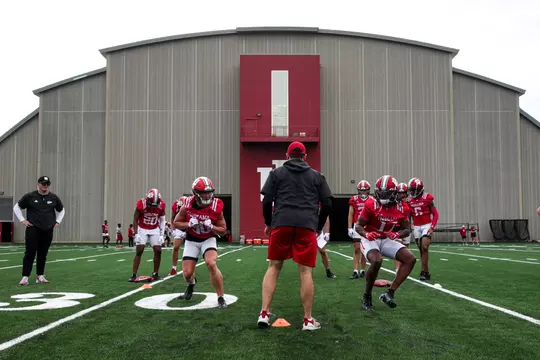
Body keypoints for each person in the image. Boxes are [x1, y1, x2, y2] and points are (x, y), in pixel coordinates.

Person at [258, 141, 333, 331]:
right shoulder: (316, 175)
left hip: (282, 222)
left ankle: (264, 313)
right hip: (306, 225)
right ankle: (307, 320)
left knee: (274, 267)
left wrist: (269, 222)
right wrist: (317, 225)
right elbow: (327, 203)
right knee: (305, 272)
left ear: (287, 156)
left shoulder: (276, 174)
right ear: (305, 156)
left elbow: (266, 200)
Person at [355, 175, 417, 311]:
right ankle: (367, 296)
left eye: (386, 193)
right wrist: (366, 234)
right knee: (377, 261)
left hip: (387, 238)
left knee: (410, 259)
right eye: (380, 192)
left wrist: (397, 234)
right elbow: (358, 226)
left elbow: (407, 229)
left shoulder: (402, 208)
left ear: (394, 193)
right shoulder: (371, 204)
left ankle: (389, 293)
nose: (382, 195)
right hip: (370, 238)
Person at [173, 177, 229, 308]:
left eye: (209, 192)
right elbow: (176, 223)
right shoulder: (187, 204)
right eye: (204, 192)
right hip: (192, 239)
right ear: (196, 193)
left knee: (211, 263)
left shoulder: (216, 205)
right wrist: (188, 224)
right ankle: (192, 284)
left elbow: (223, 230)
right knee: (187, 274)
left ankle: (221, 297)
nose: (207, 195)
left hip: (208, 238)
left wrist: (213, 227)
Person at [13, 176, 65, 286]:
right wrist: (23, 220)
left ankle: (40, 276)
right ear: (38, 184)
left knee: (43, 254)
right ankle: (25, 277)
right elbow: (16, 207)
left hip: (47, 230)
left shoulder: (53, 197)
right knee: (30, 252)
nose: (45, 185)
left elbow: (62, 210)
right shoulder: (30, 196)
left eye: (47, 184)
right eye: (43, 183)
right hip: (33, 229)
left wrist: (58, 221)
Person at [128, 188, 166, 282]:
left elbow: (162, 220)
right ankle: (134, 274)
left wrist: (162, 234)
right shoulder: (141, 204)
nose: (153, 207)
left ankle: (155, 273)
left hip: (154, 229)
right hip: (142, 228)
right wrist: (136, 233)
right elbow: (135, 219)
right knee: (139, 250)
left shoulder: (161, 205)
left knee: (158, 250)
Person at [407, 177, 439, 281]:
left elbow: (435, 214)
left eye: (413, 190)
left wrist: (432, 227)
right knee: (421, 249)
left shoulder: (427, 198)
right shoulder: (409, 201)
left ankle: (424, 272)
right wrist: (408, 226)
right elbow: (408, 216)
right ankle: (425, 271)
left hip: (426, 225)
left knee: (425, 247)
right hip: (416, 226)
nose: (411, 192)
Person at [347, 180, 370, 279]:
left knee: (364, 248)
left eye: (365, 191)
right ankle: (355, 271)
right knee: (356, 248)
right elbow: (350, 214)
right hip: (357, 225)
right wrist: (349, 228)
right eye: (361, 190)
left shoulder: (371, 200)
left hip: (367, 226)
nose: (363, 192)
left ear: (368, 191)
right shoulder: (354, 199)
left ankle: (363, 270)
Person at [168, 196, 188, 276]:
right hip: (179, 227)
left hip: (189, 226)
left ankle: (190, 267)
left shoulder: (191, 206)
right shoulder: (175, 206)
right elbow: (173, 217)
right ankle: (174, 268)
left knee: (191, 247)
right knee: (176, 247)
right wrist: (173, 228)